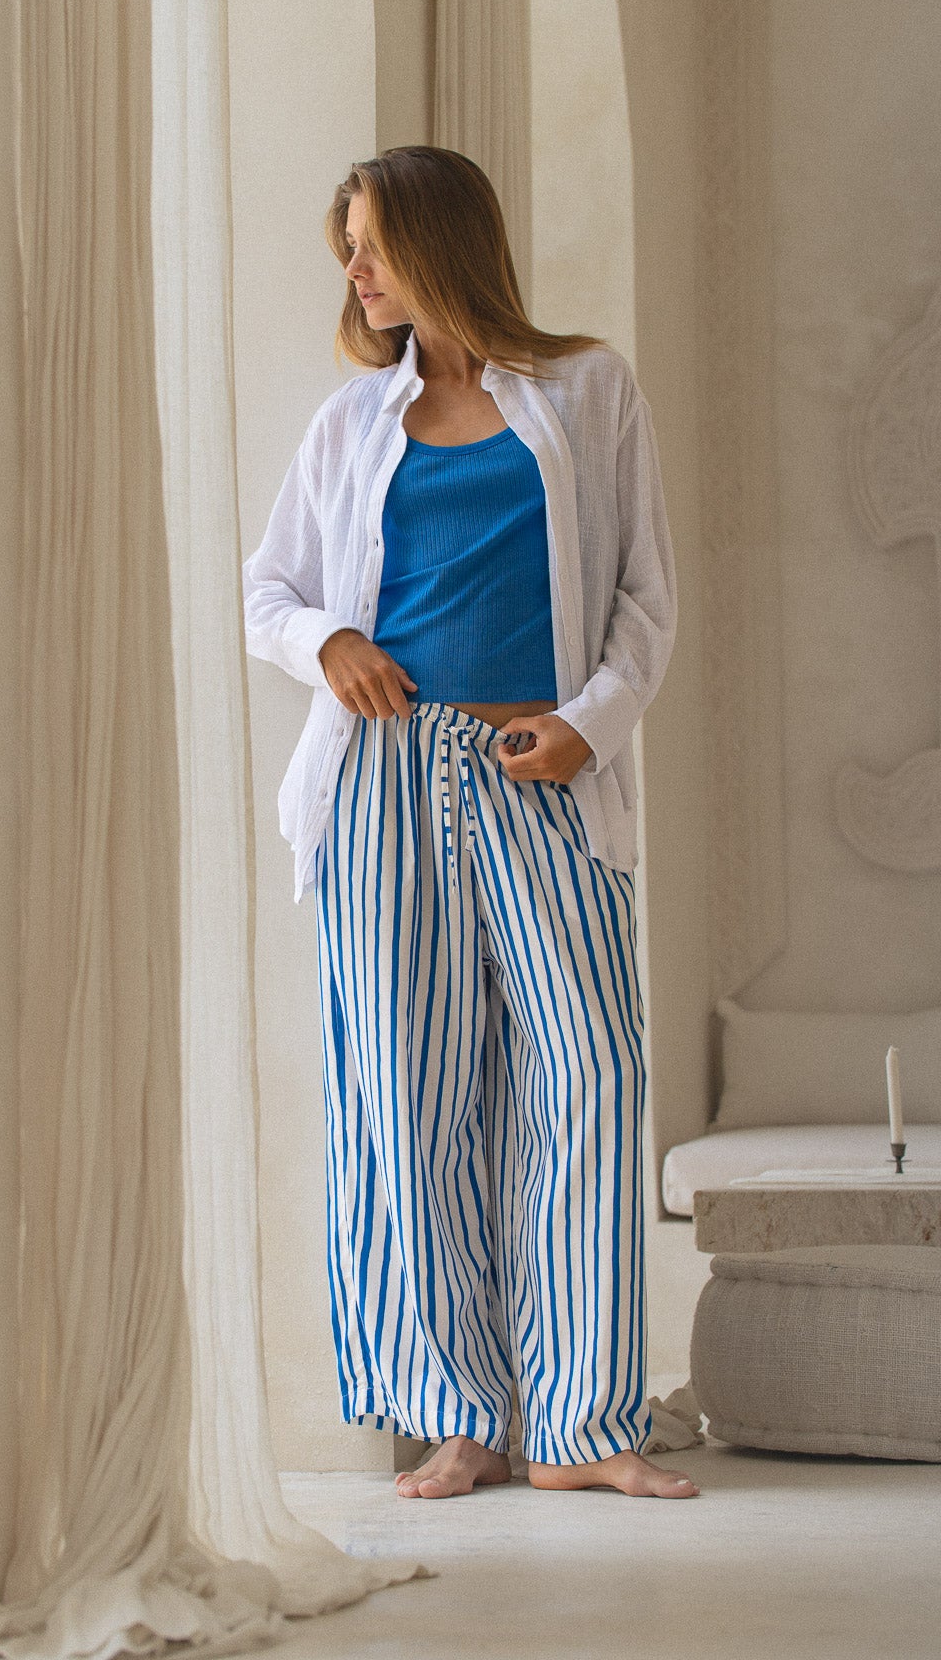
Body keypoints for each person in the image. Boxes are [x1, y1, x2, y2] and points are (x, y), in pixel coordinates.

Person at [242, 146, 697, 1502]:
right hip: (382, 780)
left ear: (445, 242)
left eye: (373, 241)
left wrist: (588, 726)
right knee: (407, 1097)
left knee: (592, 1076)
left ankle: (585, 1423)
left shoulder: (586, 390)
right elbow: (268, 588)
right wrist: (328, 644)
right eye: (349, 248)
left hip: (536, 767)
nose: (356, 269)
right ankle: (464, 1414)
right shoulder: (350, 424)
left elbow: (645, 605)